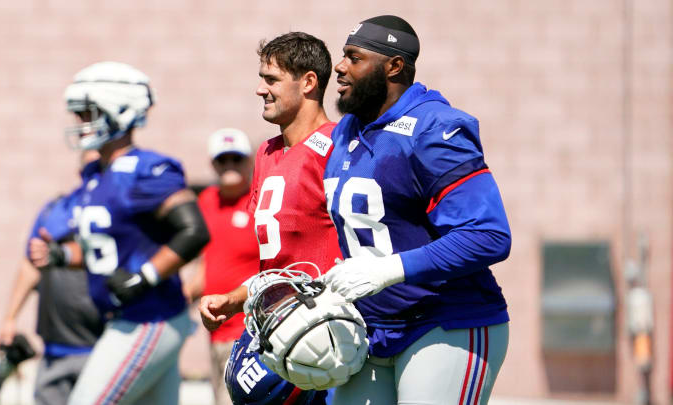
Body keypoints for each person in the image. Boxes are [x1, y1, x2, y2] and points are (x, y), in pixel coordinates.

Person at [321, 15, 512, 405]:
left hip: (446, 320)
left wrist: (388, 269)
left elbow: (488, 235)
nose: (339, 66)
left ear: (394, 66)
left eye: (354, 57)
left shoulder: (433, 128)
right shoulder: (347, 129)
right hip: (372, 327)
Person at [28, 61, 210, 405]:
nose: (81, 123)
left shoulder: (144, 169)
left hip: (148, 317)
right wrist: (62, 255)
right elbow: (106, 249)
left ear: (119, 111)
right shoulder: (97, 173)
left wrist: (143, 277)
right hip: (127, 318)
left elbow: (193, 231)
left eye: (89, 113)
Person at [198, 32, 340, 405]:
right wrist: (232, 299)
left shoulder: (339, 146)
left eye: (272, 79)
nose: (260, 89)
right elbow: (276, 264)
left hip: (324, 331)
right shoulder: (266, 153)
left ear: (309, 82)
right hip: (275, 323)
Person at [0, 150, 104, 405]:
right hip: (56, 349)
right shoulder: (57, 210)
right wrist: (10, 318)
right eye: (91, 168)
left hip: (105, 348)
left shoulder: (124, 213)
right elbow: (31, 265)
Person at [182, 128, 259, 405]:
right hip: (216, 331)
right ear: (213, 164)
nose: (229, 166)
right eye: (222, 160)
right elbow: (209, 263)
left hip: (251, 330)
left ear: (249, 161)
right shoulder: (207, 202)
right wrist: (181, 295)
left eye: (236, 159)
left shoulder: (260, 200)